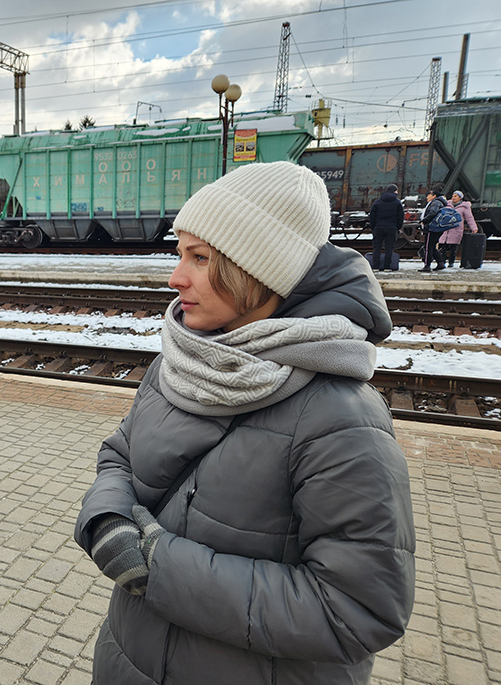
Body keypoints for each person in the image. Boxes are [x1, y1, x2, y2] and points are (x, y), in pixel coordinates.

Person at [75, 162, 415, 685]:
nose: (176, 277)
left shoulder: (343, 419)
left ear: (259, 269)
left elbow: (358, 609)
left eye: (200, 257)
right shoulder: (180, 362)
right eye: (179, 254)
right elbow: (119, 453)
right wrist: (105, 520)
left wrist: (155, 565)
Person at [368, 183, 403, 271]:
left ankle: (375, 266)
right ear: (394, 191)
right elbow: (401, 217)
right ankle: (387, 266)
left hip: (378, 227)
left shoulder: (377, 202)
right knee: (389, 247)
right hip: (391, 228)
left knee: (377, 247)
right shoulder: (397, 202)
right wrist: (397, 227)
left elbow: (372, 216)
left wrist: (373, 227)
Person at [419, 185, 448, 272]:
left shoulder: (435, 202)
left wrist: (424, 220)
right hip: (436, 228)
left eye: (429, 194)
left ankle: (427, 265)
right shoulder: (439, 202)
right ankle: (440, 263)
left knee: (428, 247)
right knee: (431, 246)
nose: (427, 196)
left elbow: (432, 212)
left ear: (434, 195)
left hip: (432, 228)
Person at [447, 190, 479, 269]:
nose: (453, 198)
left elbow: (469, 218)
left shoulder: (464, 207)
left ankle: (451, 262)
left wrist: (474, 228)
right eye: (453, 196)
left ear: (460, 198)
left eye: (455, 196)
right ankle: (441, 262)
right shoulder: (447, 205)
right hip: (446, 229)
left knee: (453, 247)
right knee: (443, 246)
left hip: (456, 229)